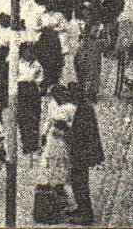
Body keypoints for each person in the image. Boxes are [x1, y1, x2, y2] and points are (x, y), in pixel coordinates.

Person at [67, 83, 105, 225]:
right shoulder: (85, 107)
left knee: (79, 184)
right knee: (79, 182)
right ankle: (81, 209)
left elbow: (82, 135)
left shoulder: (82, 111)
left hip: (81, 154)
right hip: (83, 152)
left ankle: (86, 215)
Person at [36, 94, 73, 224]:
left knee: (58, 173)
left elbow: (71, 129)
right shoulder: (52, 103)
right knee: (49, 172)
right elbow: (48, 120)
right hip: (52, 145)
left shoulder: (70, 108)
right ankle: (51, 209)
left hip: (61, 146)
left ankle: (57, 206)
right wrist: (43, 135)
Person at [17, 43, 44, 158]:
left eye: (31, 51)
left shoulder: (37, 64)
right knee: (23, 118)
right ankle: (26, 144)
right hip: (22, 90)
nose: (29, 53)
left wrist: (36, 86)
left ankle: (33, 144)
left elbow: (40, 78)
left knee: (34, 117)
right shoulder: (18, 64)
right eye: (27, 51)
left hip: (32, 90)